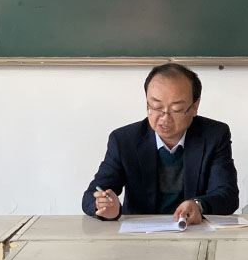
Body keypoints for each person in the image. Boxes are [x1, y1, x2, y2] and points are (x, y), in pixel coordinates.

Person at [82, 63, 239, 224]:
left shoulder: (214, 136)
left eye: (176, 109)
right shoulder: (124, 140)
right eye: (156, 107)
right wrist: (103, 206)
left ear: (195, 106)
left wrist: (199, 205)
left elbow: (227, 195)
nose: (165, 118)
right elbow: (91, 195)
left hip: (193, 232)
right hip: (141, 233)